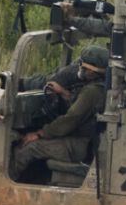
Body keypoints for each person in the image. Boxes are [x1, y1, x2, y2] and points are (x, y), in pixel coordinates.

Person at [9, 45, 108, 182]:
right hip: (85, 142)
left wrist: (39, 133)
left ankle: (3, 189)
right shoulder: (100, 88)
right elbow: (83, 108)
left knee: (27, 149)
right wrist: (64, 94)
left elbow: (70, 120)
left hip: (79, 145)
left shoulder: (91, 91)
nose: (81, 70)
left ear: (93, 71)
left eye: (84, 68)